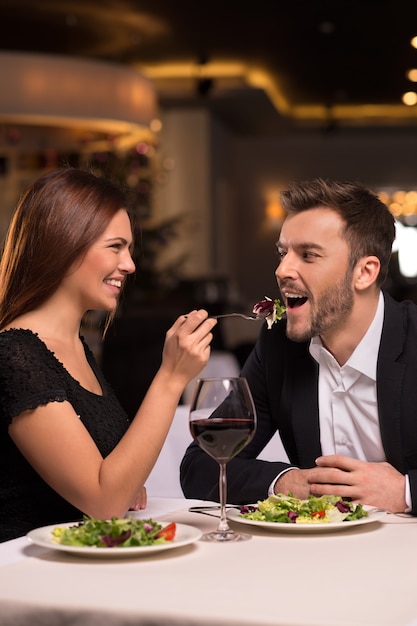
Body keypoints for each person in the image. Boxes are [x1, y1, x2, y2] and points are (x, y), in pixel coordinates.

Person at [0, 167, 217, 542]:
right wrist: (171, 377)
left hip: (84, 560)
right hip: (25, 576)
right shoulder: (15, 353)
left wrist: (120, 481)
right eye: (115, 247)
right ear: (63, 243)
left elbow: (111, 479)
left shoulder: (74, 347)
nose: (129, 265)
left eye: (129, 249)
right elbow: (104, 502)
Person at [181, 177, 417, 515]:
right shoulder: (278, 346)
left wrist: (405, 490)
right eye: (282, 253)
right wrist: (287, 482)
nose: (282, 270)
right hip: (313, 559)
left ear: (364, 272)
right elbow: (199, 468)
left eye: (308, 255)